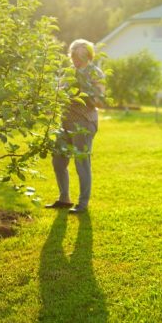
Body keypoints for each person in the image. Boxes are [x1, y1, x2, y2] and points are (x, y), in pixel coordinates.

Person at [46, 39, 105, 214]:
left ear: (88, 56)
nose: (76, 60)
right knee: (58, 161)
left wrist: (80, 92)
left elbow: (99, 102)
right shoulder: (69, 72)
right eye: (73, 56)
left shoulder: (96, 73)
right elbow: (58, 93)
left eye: (80, 56)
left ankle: (83, 203)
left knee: (82, 163)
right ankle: (64, 199)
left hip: (84, 122)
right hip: (65, 123)